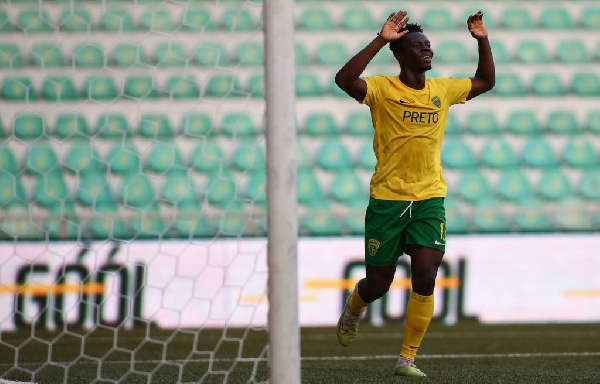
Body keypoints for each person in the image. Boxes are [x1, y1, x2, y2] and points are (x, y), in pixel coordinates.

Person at [334, 10, 495, 377]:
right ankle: (353, 309)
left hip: (429, 198)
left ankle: (406, 358)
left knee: (425, 274)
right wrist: (381, 38)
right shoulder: (381, 89)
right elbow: (344, 79)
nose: (427, 51)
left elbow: (486, 80)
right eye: (419, 47)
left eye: (428, 46)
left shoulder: (443, 90)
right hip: (388, 200)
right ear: (401, 55)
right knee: (378, 284)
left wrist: (482, 39)